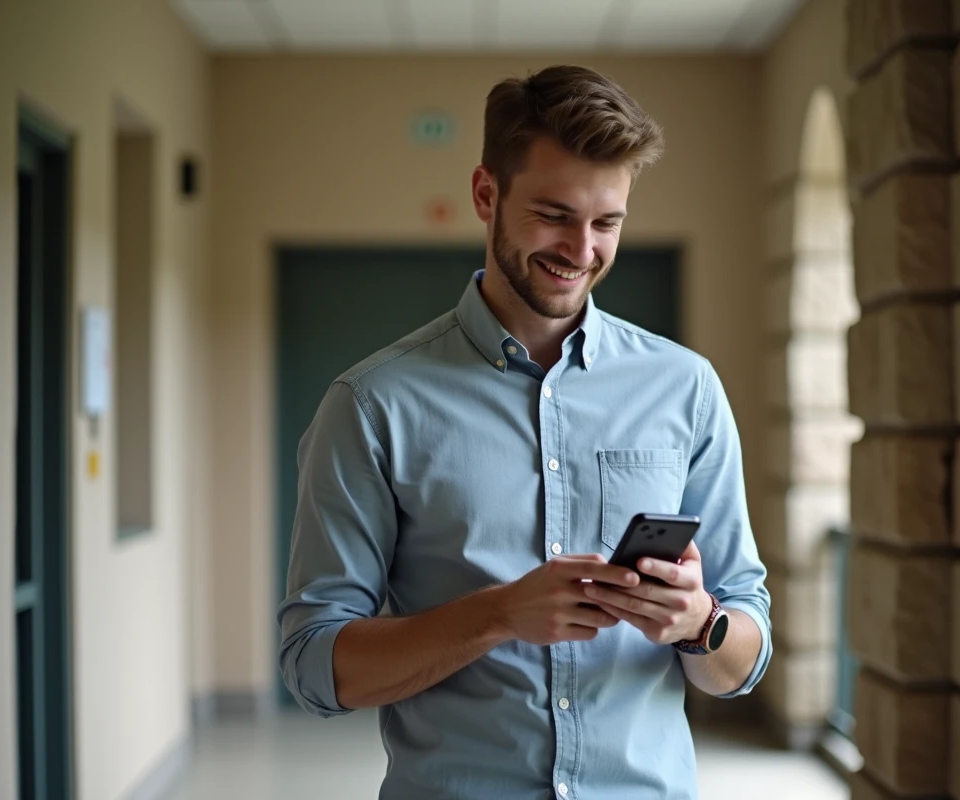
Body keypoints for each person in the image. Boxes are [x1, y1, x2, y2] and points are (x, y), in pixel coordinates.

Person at [277, 64, 771, 800]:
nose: (581, 249)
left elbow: (744, 655)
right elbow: (315, 667)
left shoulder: (687, 388)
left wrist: (699, 625)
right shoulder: (372, 404)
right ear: (486, 194)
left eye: (607, 222)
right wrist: (499, 614)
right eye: (554, 214)